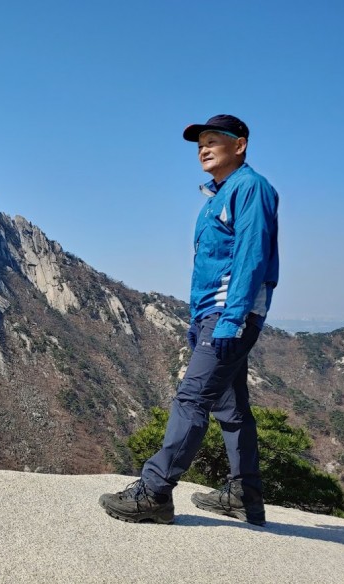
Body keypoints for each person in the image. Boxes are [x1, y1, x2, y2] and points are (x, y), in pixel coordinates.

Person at [99, 114, 279, 526]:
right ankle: (244, 494)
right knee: (231, 407)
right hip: (213, 314)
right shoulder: (217, 197)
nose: (204, 148)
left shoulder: (250, 187)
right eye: (200, 144)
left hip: (230, 314)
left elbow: (251, 256)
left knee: (191, 400)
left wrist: (230, 320)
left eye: (214, 140)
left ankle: (154, 492)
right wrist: (197, 320)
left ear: (240, 145)